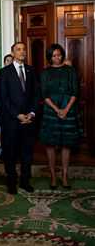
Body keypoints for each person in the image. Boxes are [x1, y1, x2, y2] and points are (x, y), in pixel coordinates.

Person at [0, 42, 38, 194]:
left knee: (27, 153)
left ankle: (25, 181)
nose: (22, 52)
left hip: (29, 120)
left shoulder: (31, 71)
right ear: (13, 53)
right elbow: (3, 98)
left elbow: (36, 94)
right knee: (10, 153)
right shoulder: (5, 73)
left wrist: (32, 113)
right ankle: (11, 182)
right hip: (12, 121)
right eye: (18, 50)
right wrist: (17, 114)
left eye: (23, 49)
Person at [39, 43, 81, 190]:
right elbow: (44, 94)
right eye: (54, 55)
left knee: (66, 144)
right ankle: (52, 175)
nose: (57, 58)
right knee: (50, 144)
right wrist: (57, 110)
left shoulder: (70, 71)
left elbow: (75, 92)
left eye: (59, 55)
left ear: (63, 54)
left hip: (68, 110)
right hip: (51, 110)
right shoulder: (45, 73)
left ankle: (64, 175)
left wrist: (66, 109)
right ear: (49, 57)